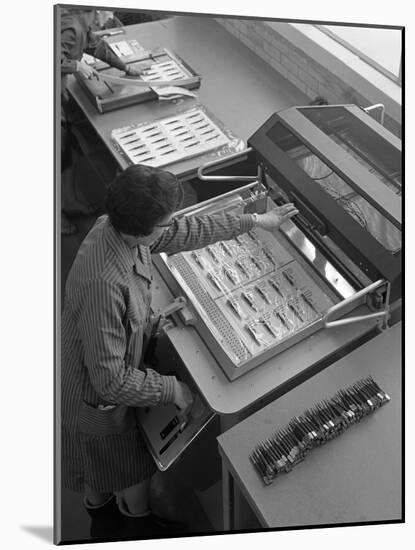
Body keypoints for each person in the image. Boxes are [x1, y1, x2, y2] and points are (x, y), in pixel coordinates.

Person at [61, 164, 298, 540]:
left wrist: (256, 220)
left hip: (91, 373)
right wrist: (173, 389)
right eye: (163, 221)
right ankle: (128, 526)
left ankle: (103, 513)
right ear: (143, 228)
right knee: (128, 466)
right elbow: (111, 382)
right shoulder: (103, 284)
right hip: (96, 397)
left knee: (97, 468)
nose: (169, 227)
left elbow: (184, 232)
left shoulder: (116, 227)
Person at [60, 8, 145, 235]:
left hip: (58, 95)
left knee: (64, 156)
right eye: (107, 12)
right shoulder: (71, 27)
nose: (109, 19)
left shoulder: (81, 23)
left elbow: (96, 46)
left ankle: (69, 202)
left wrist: (125, 67)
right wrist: (76, 65)